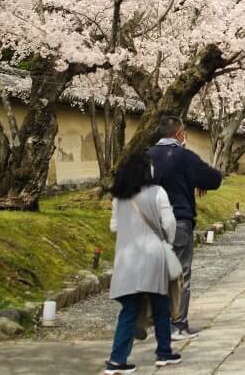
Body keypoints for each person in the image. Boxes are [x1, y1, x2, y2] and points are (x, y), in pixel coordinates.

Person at [104, 152, 181, 374]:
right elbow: (169, 223)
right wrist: (168, 241)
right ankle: (164, 352)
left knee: (129, 308)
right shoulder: (158, 192)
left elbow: (114, 227)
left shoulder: (118, 198)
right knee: (160, 304)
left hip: (126, 255)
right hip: (153, 254)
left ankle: (117, 360)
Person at [148, 116, 222, 341]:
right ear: (180, 134)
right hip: (178, 219)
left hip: (150, 222)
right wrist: (193, 180)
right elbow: (214, 179)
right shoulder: (184, 156)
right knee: (180, 274)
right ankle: (177, 324)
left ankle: (155, 321)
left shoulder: (146, 156)